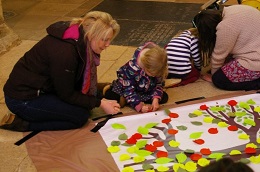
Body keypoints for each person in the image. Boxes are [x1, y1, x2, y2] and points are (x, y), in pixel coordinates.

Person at [0, 11, 121, 132]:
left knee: (85, 106)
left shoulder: (80, 38)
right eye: (104, 40)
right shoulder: (66, 52)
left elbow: (76, 81)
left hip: (43, 89)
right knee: (79, 117)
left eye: (109, 40)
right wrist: (100, 103)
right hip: (23, 99)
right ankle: (21, 123)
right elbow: (67, 93)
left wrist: (100, 100)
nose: (107, 45)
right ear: (91, 34)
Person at [193, 5, 260, 91]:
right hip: (256, 50)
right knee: (225, 65)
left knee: (219, 80)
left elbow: (218, 56)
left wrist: (214, 76)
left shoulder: (225, 27)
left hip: (255, 62)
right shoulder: (233, 9)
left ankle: (257, 83)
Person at [104, 42, 168, 113]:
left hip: (144, 90)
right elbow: (128, 89)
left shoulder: (157, 64)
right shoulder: (132, 69)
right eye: (152, 74)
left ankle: (129, 100)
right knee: (112, 96)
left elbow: (159, 84)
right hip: (126, 87)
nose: (153, 76)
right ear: (145, 67)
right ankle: (124, 97)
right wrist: (139, 106)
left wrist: (155, 99)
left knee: (163, 97)